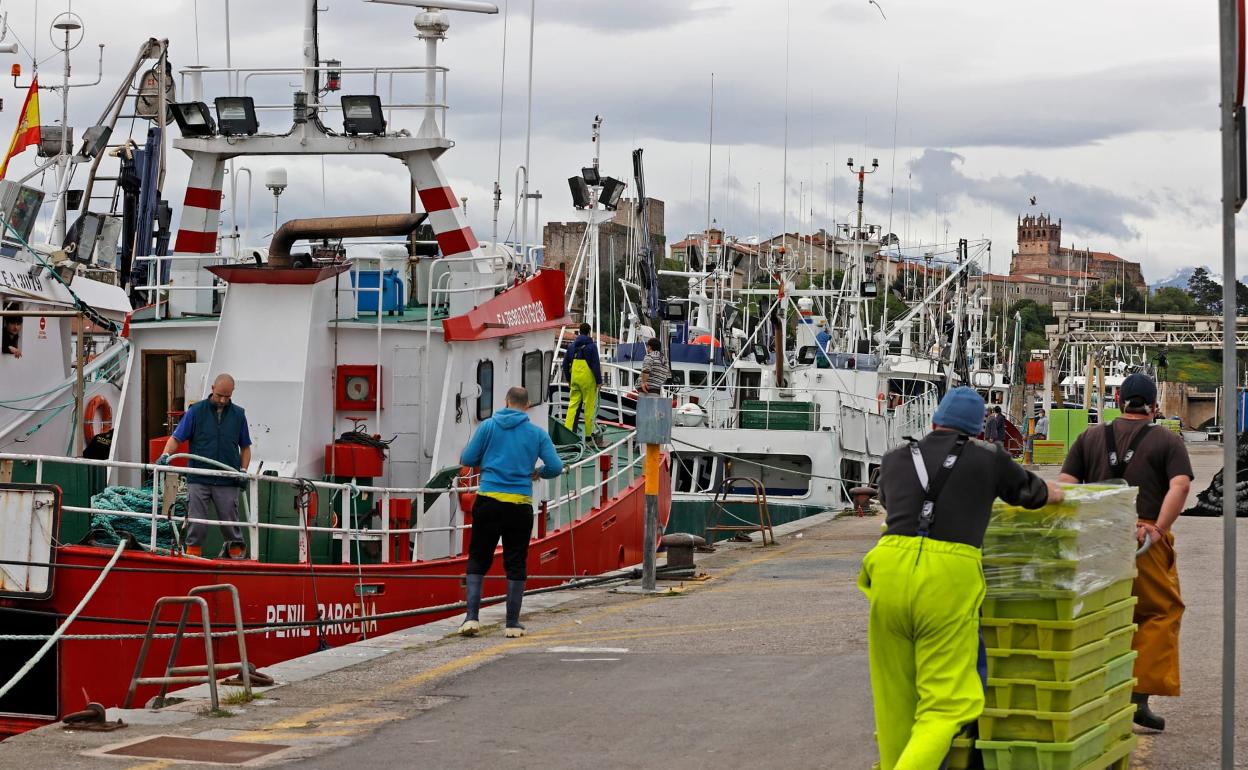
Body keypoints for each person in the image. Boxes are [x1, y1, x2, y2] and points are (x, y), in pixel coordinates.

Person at [860, 386, 1062, 770]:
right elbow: (1030, 493)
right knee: (947, 702)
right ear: (977, 430)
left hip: (887, 567)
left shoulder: (894, 458)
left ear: (935, 421)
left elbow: (890, 502)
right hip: (946, 576)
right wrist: (1059, 495)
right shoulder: (989, 457)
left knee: (895, 700)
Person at [1057, 373, 1192, 731]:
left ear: (1118, 401)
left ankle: (1093, 696)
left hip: (1098, 535)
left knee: (1101, 613)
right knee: (1159, 612)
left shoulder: (1089, 436)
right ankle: (1137, 698)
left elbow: (1066, 485)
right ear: (1155, 406)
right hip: (1144, 537)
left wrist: (1085, 525)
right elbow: (1180, 485)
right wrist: (1159, 528)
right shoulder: (1167, 440)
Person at [459, 386, 564, 638]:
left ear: (506, 402)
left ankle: (472, 618)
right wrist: (539, 472)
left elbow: (468, 457)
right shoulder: (536, 434)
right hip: (519, 505)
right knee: (515, 562)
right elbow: (556, 466)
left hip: (488, 500)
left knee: (478, 558)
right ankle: (512, 624)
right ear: (526, 406)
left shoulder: (488, 427)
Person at [159, 373, 252, 558]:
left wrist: (243, 471)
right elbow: (177, 438)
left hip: (227, 479)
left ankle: (236, 559)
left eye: (227, 396)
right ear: (212, 389)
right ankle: (192, 557)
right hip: (199, 478)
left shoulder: (239, 415)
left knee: (230, 524)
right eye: (219, 395)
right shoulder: (196, 411)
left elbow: (246, 447)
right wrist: (165, 455)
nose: (223, 400)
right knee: (197, 523)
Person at [562, 322, 602, 440]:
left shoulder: (572, 346)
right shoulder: (592, 346)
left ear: (579, 331)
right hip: (588, 381)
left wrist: (569, 379)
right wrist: (599, 381)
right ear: (589, 332)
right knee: (589, 408)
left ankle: (568, 434)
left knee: (572, 406)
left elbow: (565, 364)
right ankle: (589, 436)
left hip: (575, 379)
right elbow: (595, 365)